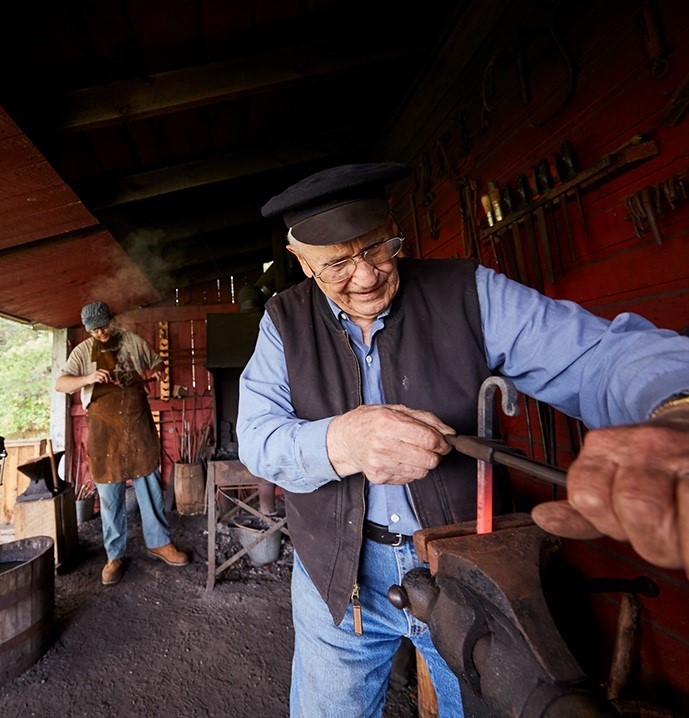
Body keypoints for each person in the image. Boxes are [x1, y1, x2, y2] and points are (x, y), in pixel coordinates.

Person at [237, 162, 689, 717]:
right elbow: (256, 439)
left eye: (379, 248)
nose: (365, 276)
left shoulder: (468, 292)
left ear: (394, 228)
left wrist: (675, 408)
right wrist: (342, 442)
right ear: (300, 259)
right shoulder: (283, 324)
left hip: (464, 566)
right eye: (336, 264)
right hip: (337, 574)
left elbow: (597, 355)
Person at [56, 301, 189, 585]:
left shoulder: (132, 341)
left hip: (137, 422)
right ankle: (114, 556)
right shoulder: (82, 351)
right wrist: (89, 377)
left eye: (104, 327)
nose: (101, 333)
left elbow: (156, 364)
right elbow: (61, 383)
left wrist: (157, 371)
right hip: (104, 430)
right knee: (109, 493)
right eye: (94, 330)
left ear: (112, 321)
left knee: (150, 485)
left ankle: (159, 543)